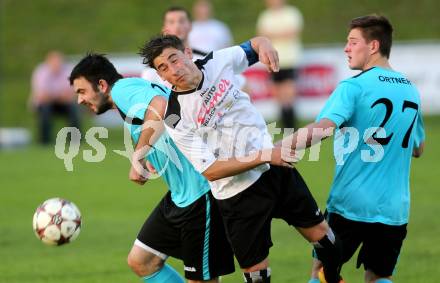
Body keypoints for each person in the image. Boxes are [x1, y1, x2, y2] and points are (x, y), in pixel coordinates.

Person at [139, 35, 343, 283]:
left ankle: (328, 279)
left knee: (329, 243)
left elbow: (254, 45)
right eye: (163, 68)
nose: (173, 69)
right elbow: (211, 171)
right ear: (161, 77)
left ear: (188, 53)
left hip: (274, 172)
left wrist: (265, 44)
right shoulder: (175, 117)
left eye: (174, 59)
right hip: (238, 195)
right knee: (257, 278)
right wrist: (266, 155)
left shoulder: (218, 61)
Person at [277, 15, 425, 283]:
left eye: (353, 42)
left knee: (321, 273)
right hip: (394, 209)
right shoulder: (411, 91)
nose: (346, 48)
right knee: (380, 275)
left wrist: (277, 148)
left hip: (350, 205)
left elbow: (323, 127)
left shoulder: (353, 86)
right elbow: (418, 147)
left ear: (373, 46)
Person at [69, 53, 235, 283]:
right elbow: (169, 118)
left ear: (102, 85)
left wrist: (138, 157)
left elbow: (161, 105)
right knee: (142, 261)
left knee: (200, 280)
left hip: (200, 194)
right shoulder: (129, 93)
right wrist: (154, 157)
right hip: (180, 196)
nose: (79, 100)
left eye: (81, 91)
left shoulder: (122, 90)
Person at [256, 0, 303, 129]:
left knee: (289, 93)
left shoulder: (292, 13)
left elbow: (292, 32)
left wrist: (273, 34)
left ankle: (291, 125)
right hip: (272, 60)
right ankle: (285, 125)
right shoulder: (265, 16)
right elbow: (262, 35)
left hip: (289, 59)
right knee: (278, 94)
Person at [141, 6, 207, 86]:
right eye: (171, 22)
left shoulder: (205, 58)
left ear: (190, 26)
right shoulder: (151, 72)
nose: (177, 26)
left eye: (182, 21)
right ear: (164, 29)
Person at [30, 50, 80, 145]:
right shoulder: (41, 72)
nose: (56, 65)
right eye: (54, 62)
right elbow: (41, 96)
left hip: (63, 104)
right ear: (48, 62)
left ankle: (75, 139)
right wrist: (59, 95)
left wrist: (54, 95)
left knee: (74, 108)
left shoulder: (68, 70)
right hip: (45, 104)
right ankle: (45, 141)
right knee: (45, 109)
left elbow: (72, 94)